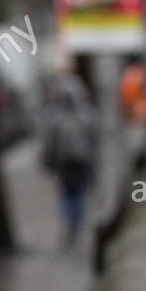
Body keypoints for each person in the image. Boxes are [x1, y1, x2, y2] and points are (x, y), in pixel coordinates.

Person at [40, 70, 97, 248]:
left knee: (69, 193)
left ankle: (72, 224)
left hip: (68, 162)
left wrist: (48, 160)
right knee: (75, 193)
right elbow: (94, 140)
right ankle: (75, 223)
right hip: (76, 161)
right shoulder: (86, 114)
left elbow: (50, 141)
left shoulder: (57, 116)